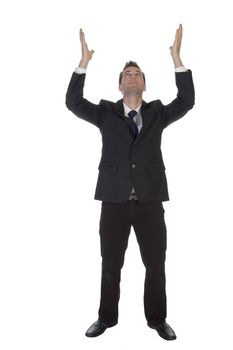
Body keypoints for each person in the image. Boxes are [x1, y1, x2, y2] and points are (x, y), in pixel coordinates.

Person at [65, 24, 195, 340]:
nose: (132, 78)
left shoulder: (157, 113)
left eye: (137, 74)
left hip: (150, 202)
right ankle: (106, 318)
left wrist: (177, 58)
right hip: (114, 201)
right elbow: (73, 102)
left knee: (156, 266)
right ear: (120, 86)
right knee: (110, 265)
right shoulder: (106, 113)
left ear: (145, 85)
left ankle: (157, 319)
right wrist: (83, 63)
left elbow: (187, 100)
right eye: (127, 75)